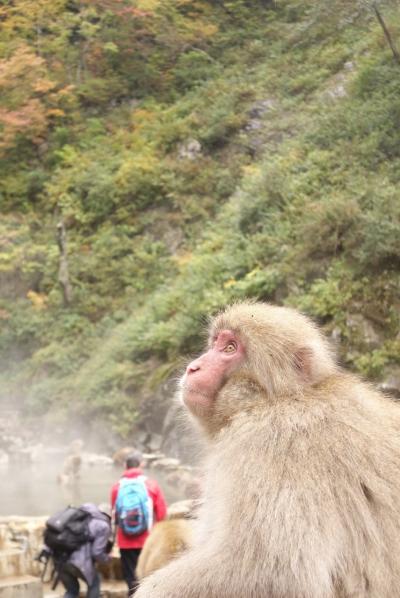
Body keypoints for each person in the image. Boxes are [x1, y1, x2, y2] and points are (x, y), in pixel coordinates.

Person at [111, 451, 167, 596]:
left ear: (125, 466)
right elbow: (161, 512)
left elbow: (115, 514)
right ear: (141, 465)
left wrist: (115, 538)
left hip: (125, 541)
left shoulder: (117, 487)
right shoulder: (151, 484)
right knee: (148, 575)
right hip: (147, 540)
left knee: (130, 577)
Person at [58, 502, 112, 598]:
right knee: (94, 583)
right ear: (108, 516)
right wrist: (107, 559)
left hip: (59, 559)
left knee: (71, 590)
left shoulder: (78, 517)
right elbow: (97, 552)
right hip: (78, 562)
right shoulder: (103, 525)